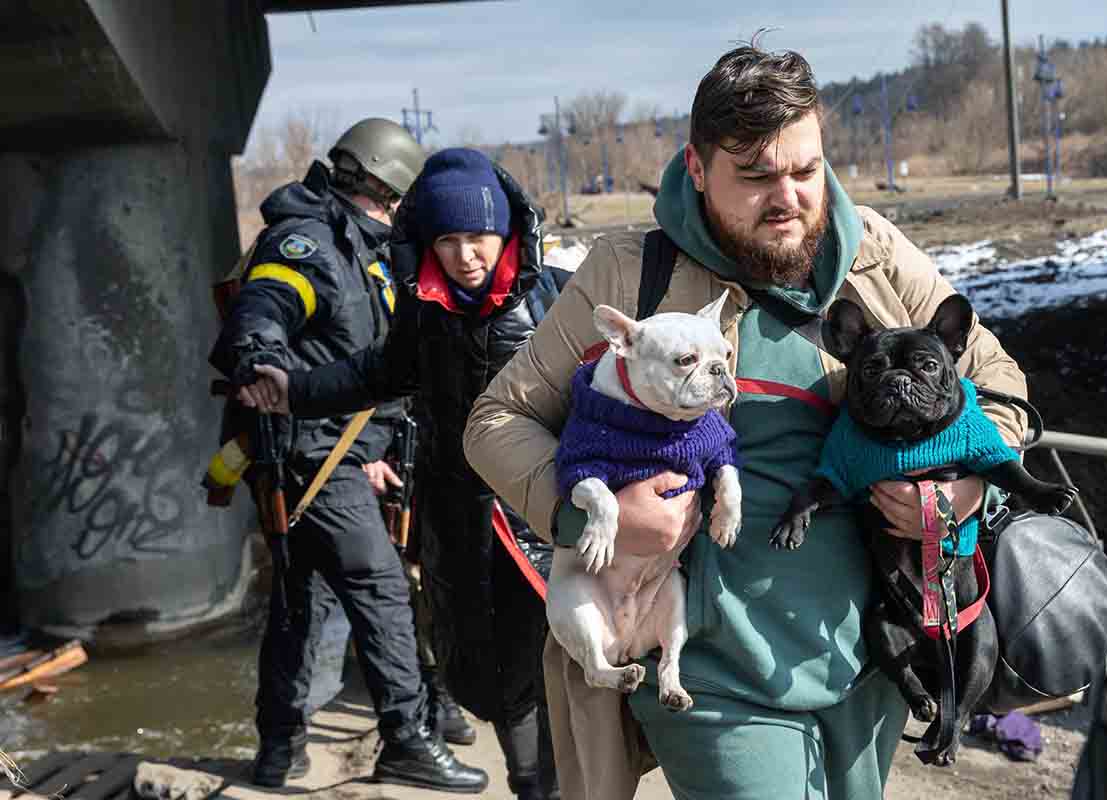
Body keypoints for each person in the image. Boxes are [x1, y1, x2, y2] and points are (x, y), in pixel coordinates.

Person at [460, 37, 1031, 800]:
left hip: (873, 654)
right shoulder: (631, 274)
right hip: (706, 666)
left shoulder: (874, 257)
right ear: (696, 169)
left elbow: (996, 379)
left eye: (804, 170)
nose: (788, 197)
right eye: (756, 176)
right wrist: (584, 514)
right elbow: (496, 419)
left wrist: (966, 490)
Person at [239, 148, 569, 800]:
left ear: (506, 233)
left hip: (541, 523)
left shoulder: (555, 301)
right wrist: (291, 390)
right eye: (448, 240)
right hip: (459, 528)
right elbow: (376, 374)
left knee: (562, 672)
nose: (466, 255)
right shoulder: (425, 312)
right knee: (498, 682)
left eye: (479, 237)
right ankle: (533, 786)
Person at [211, 118, 487, 793]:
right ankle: (407, 740)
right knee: (383, 590)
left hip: (343, 455)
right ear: (386, 187)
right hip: (311, 458)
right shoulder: (311, 243)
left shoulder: (363, 247)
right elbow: (266, 304)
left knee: (300, 604)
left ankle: (279, 749)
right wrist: (259, 357)